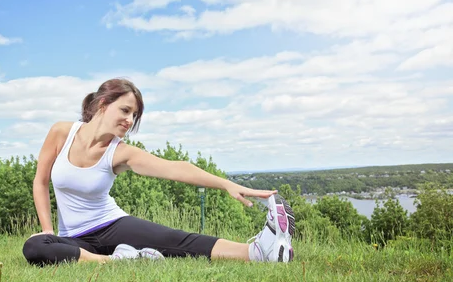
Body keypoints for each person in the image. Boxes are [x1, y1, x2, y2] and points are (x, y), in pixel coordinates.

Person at [22, 78, 295, 266]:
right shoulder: (61, 132)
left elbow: (174, 168)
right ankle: (116, 261)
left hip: (112, 226)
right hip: (72, 237)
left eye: (134, 116)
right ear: (103, 104)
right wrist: (47, 230)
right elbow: (40, 181)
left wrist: (225, 184)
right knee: (35, 247)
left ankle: (257, 251)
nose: (129, 121)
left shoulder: (121, 152)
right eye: (125, 110)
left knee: (177, 241)